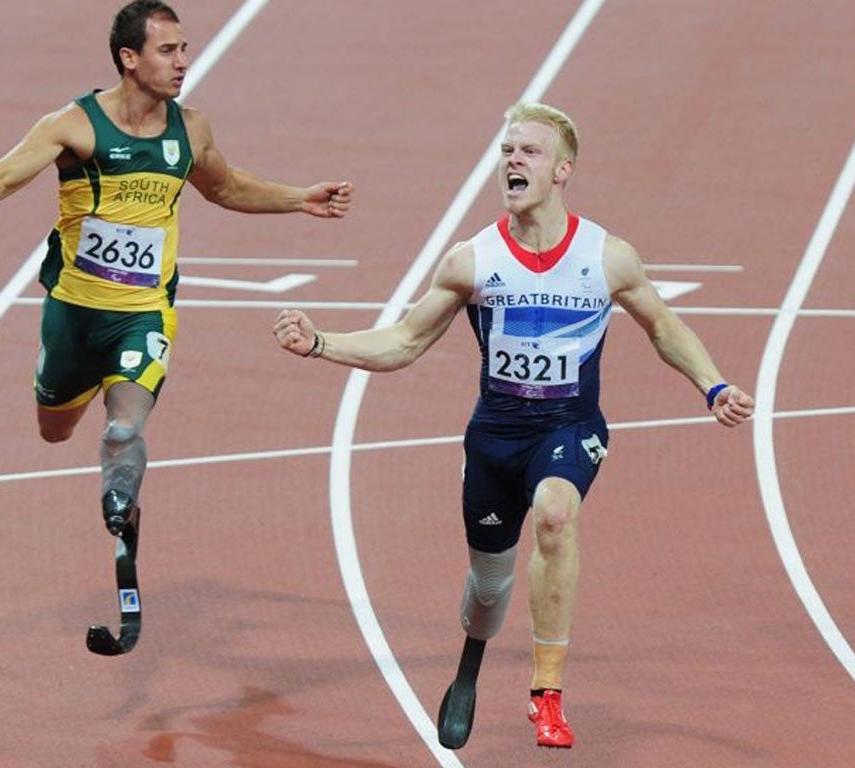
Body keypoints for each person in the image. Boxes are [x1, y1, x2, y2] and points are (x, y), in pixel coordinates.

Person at [272, 102, 753, 750]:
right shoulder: (473, 261)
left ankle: (546, 694)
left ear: (562, 170)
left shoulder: (606, 256)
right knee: (490, 585)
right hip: (494, 440)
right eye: (507, 150)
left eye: (527, 151)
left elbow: (664, 326)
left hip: (569, 428)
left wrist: (712, 383)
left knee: (557, 512)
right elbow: (404, 342)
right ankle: (471, 661)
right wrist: (320, 343)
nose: (512, 161)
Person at [0, 0, 353, 540]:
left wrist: (299, 198)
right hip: (73, 313)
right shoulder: (73, 125)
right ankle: (81, 409)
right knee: (55, 431)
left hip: (144, 314)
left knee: (124, 428)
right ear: (129, 58)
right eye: (168, 50)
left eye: (183, 48)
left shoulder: (190, 129)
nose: (183, 60)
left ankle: (120, 507)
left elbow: (225, 186)